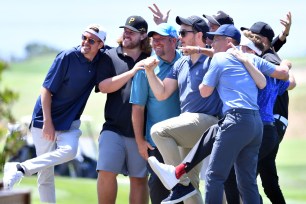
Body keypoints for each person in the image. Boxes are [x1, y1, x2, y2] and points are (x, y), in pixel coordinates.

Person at [148, 24, 291, 203]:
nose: (211, 42)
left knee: (214, 177)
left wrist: (207, 82)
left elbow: (204, 91)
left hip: (236, 120)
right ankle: (179, 170)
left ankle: (178, 172)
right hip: (256, 126)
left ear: (229, 42)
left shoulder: (220, 59)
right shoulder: (252, 59)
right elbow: (276, 78)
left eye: (215, 39)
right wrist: (284, 62)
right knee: (247, 182)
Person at [3, 24, 107, 203]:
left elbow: (124, 48)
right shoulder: (67, 57)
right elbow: (45, 91)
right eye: (84, 37)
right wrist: (48, 122)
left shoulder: (102, 59)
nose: (85, 42)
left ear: (100, 45)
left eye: (91, 40)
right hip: (45, 119)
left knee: (70, 151)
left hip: (70, 122)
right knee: (45, 175)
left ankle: (20, 168)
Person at [144, 15, 222, 204]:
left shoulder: (214, 60)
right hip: (189, 124)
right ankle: (182, 184)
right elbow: (162, 93)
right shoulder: (180, 63)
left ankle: (180, 184)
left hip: (209, 123)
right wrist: (149, 72)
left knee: (158, 131)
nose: (180, 37)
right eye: (179, 33)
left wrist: (199, 50)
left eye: (183, 33)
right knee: (191, 186)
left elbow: (224, 56)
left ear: (199, 35)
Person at [96, 15, 151, 204]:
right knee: (105, 172)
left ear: (143, 36)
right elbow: (103, 86)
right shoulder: (109, 56)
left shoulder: (151, 58)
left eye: (132, 32)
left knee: (139, 179)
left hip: (142, 134)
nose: (126, 34)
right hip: (113, 128)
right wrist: (133, 71)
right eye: (125, 30)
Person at [241, 20, 296, 204]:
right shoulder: (268, 55)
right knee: (268, 180)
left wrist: (287, 68)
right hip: (273, 123)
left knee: (245, 175)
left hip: (272, 122)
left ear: (262, 40)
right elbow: (272, 49)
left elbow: (290, 82)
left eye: (252, 36)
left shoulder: (268, 59)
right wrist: (283, 36)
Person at [130, 23, 182, 204]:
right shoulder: (145, 69)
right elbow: (138, 108)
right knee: (159, 192)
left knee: (185, 189)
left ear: (174, 41)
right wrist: (140, 141)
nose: (156, 43)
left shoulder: (186, 61)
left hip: (184, 140)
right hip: (156, 143)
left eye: (161, 39)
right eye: (154, 39)